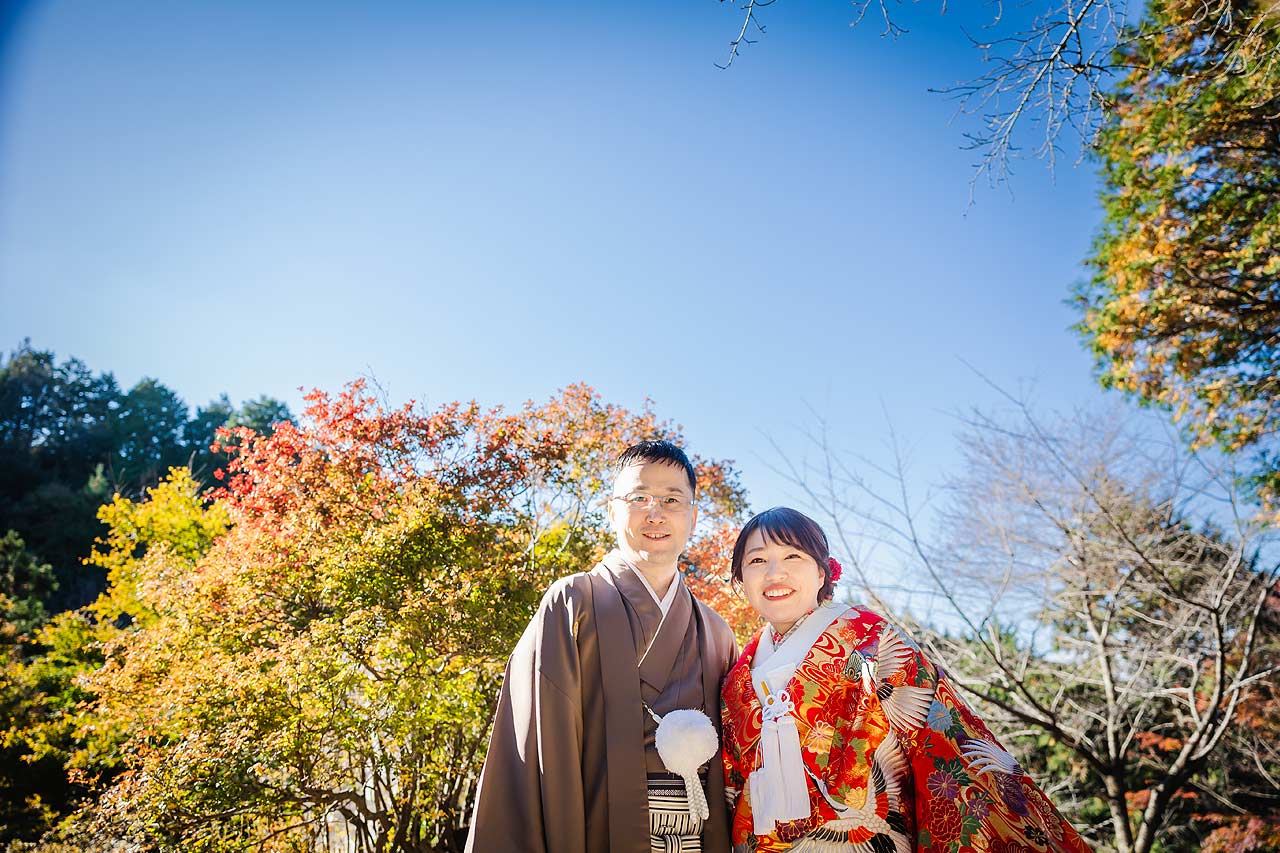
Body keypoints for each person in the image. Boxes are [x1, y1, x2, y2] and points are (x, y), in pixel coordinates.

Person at [720, 507, 1090, 853]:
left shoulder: (871, 639)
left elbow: (942, 740)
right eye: (757, 560)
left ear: (822, 573)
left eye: (792, 556)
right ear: (740, 577)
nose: (775, 573)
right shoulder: (735, 678)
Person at [466, 440, 738, 853]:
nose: (655, 512)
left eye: (671, 499)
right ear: (612, 510)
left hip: (697, 835)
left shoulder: (716, 630)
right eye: (639, 497)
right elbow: (534, 745)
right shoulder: (573, 603)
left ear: (693, 516)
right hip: (597, 831)